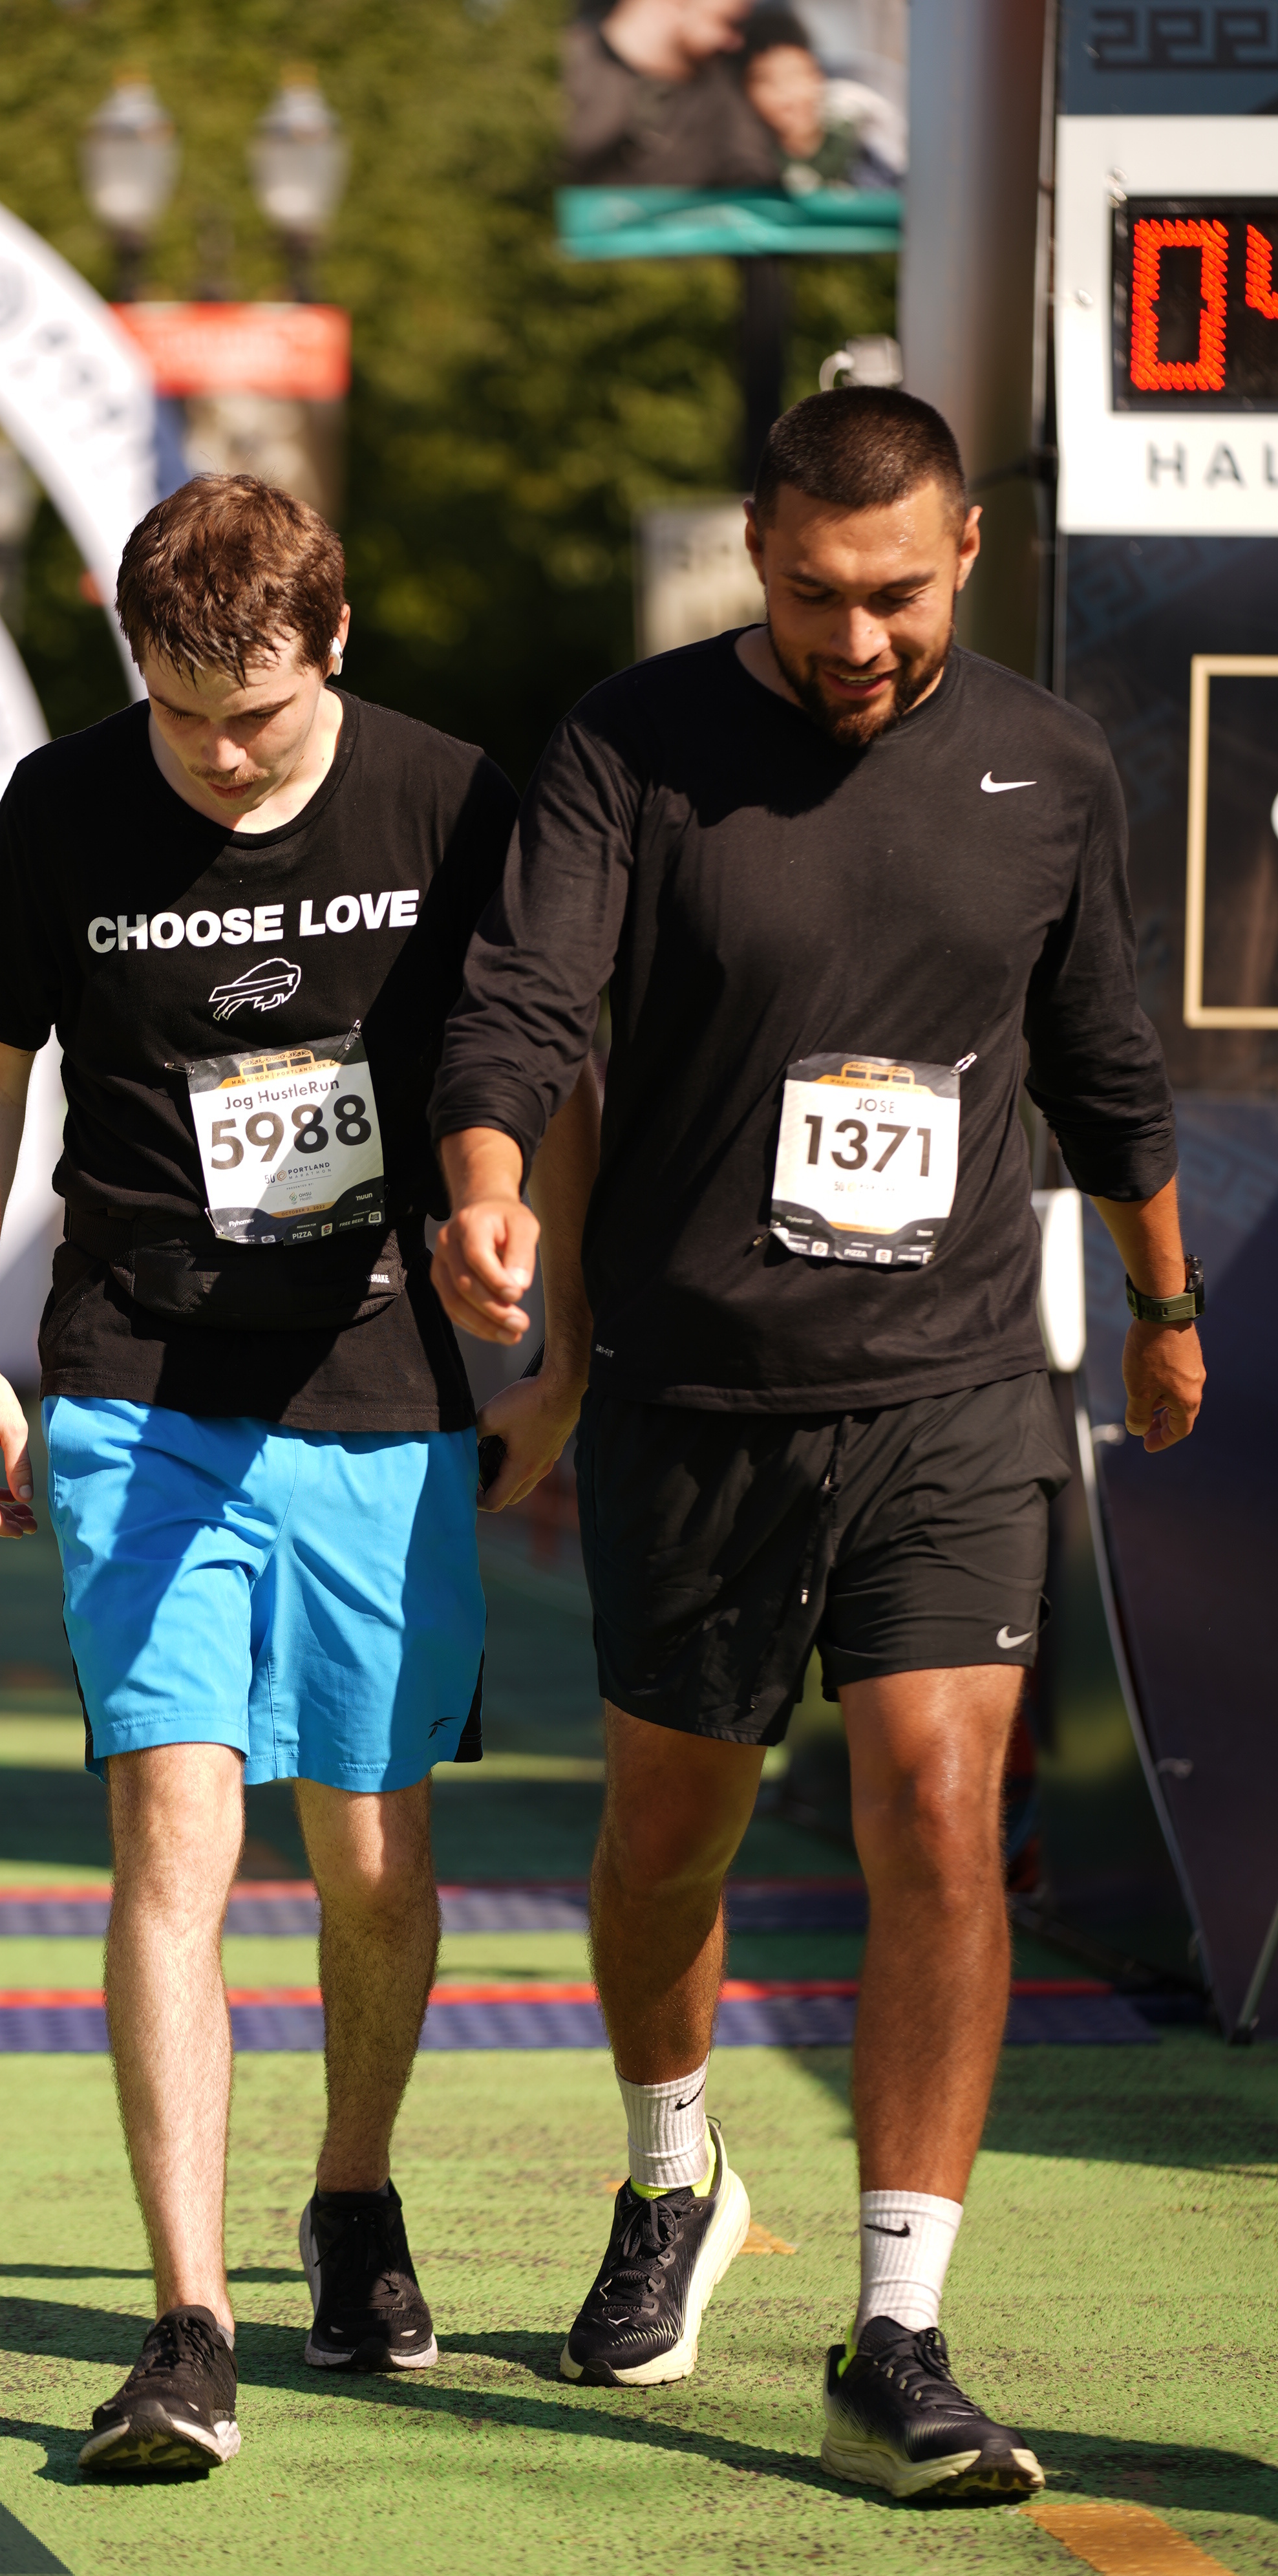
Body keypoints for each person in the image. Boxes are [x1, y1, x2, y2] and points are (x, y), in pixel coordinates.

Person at [430, 389, 1204, 2502]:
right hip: (695, 1393)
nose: (851, 638)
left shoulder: (1045, 766)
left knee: (940, 1812)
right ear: (756, 557)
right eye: (805, 595)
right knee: (667, 1837)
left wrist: (1160, 1306)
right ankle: (671, 2173)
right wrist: (488, 1188)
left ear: (966, 553)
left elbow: (1102, 1056)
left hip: (950, 1385)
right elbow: (522, 1004)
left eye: (892, 595)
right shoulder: (630, 747)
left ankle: (899, 2331)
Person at [0, 474, 597, 2476]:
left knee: (374, 1852)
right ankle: (187, 2320)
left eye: (262, 717)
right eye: (183, 713)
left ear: (338, 642)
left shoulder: (451, 801)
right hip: (141, 1380)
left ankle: (354, 2190)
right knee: (177, 1829)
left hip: (384, 1375)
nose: (221, 757)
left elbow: (550, 1063)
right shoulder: (61, 808)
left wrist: (557, 1344)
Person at [562, 0, 780, 190]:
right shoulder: (564, 68)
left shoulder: (722, 92)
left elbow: (755, 178)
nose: (736, 43)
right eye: (728, 23)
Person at [738, 8, 906, 195]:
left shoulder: (862, 133)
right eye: (768, 81)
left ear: (817, 74)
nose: (788, 95)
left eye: (795, 74)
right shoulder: (748, 160)